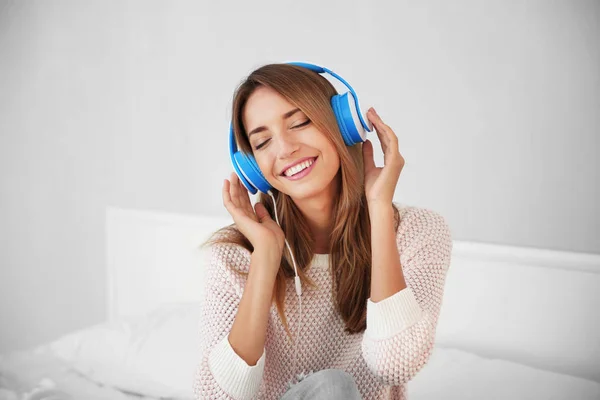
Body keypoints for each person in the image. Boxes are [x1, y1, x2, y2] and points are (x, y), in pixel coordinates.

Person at [192, 63, 453, 400]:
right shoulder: (234, 255)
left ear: (343, 124)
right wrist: (266, 258)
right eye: (263, 142)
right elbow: (214, 398)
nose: (285, 149)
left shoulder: (417, 233)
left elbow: (395, 364)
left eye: (300, 123)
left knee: (333, 389)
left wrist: (378, 210)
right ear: (252, 169)